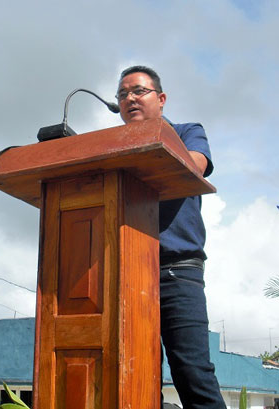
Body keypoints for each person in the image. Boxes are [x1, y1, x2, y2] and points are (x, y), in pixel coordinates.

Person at [116, 65, 226, 409]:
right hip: (127, 273)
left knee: (192, 373)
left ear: (161, 99)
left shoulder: (186, 131)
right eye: (122, 95)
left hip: (178, 270)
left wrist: (150, 141)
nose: (129, 98)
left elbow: (195, 164)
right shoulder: (111, 145)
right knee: (135, 373)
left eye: (138, 91)